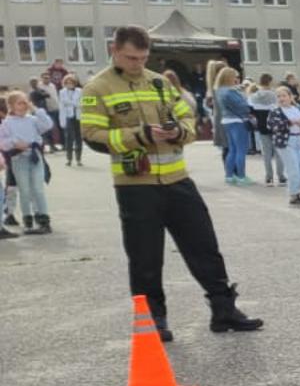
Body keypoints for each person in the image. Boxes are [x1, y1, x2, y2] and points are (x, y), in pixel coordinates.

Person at [80, 26, 263, 342]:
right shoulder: (98, 88)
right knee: (145, 257)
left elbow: (187, 119)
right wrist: (139, 135)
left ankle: (224, 310)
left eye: (142, 57)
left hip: (178, 180)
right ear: (114, 50)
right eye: (130, 57)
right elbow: (92, 136)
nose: (137, 63)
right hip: (135, 185)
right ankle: (154, 320)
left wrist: (178, 131)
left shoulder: (160, 82)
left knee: (204, 246)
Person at [1, 91, 55, 234]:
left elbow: (48, 124)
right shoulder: (7, 123)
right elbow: (3, 143)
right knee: (24, 190)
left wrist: (35, 108)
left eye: (26, 102)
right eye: (20, 103)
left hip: (35, 156)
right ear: (11, 106)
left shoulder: (32, 119)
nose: (24, 105)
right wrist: (15, 143)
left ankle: (44, 221)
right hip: (19, 159)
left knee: (38, 188)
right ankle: (28, 221)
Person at [263, 86, 300, 207]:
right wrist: (290, 122)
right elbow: (272, 125)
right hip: (285, 142)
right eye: (278, 96)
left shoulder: (297, 108)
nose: (281, 98)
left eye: (284, 96)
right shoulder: (275, 111)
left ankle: (293, 189)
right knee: (293, 169)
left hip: (299, 140)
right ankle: (294, 195)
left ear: (291, 97)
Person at [212, 69, 252, 185]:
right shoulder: (230, 91)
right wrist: (245, 98)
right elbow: (244, 106)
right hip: (237, 121)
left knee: (232, 150)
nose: (236, 79)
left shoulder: (219, 90)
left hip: (226, 121)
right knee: (241, 150)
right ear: (229, 77)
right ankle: (241, 177)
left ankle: (229, 176)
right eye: (235, 76)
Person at [250, 73, 282, 184]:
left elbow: (251, 111)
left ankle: (269, 176)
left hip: (261, 126)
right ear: (270, 82)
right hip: (275, 126)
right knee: (278, 152)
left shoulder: (254, 96)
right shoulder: (274, 95)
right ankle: (281, 175)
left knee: (266, 153)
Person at [57, 76, 83, 166]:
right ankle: (69, 159)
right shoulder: (62, 92)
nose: (69, 84)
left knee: (78, 138)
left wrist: (73, 104)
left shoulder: (80, 91)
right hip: (68, 116)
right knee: (69, 138)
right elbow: (61, 105)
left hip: (78, 116)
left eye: (71, 82)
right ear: (65, 84)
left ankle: (79, 159)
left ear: (74, 83)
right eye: (67, 83)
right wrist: (62, 120)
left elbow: (85, 103)